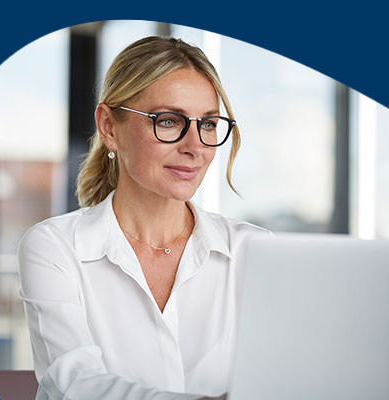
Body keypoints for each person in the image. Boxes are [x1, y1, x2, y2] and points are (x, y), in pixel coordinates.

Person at [18, 36, 268, 400]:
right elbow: (76, 385)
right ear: (108, 127)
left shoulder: (254, 251)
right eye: (168, 121)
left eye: (209, 124)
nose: (195, 146)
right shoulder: (55, 247)